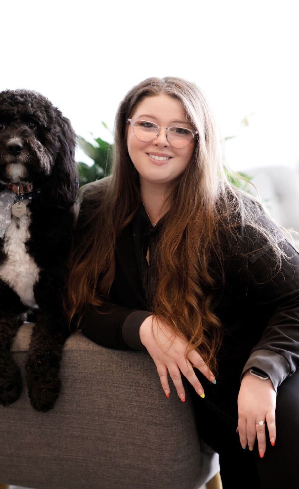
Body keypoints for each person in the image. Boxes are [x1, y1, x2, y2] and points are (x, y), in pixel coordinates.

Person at [66, 77, 299, 488]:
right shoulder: (94, 207)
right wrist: (142, 325)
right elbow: (76, 303)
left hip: (276, 384)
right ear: (126, 130)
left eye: (179, 129)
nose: (161, 140)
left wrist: (263, 374)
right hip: (215, 408)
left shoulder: (231, 215)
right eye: (147, 124)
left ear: (199, 141)